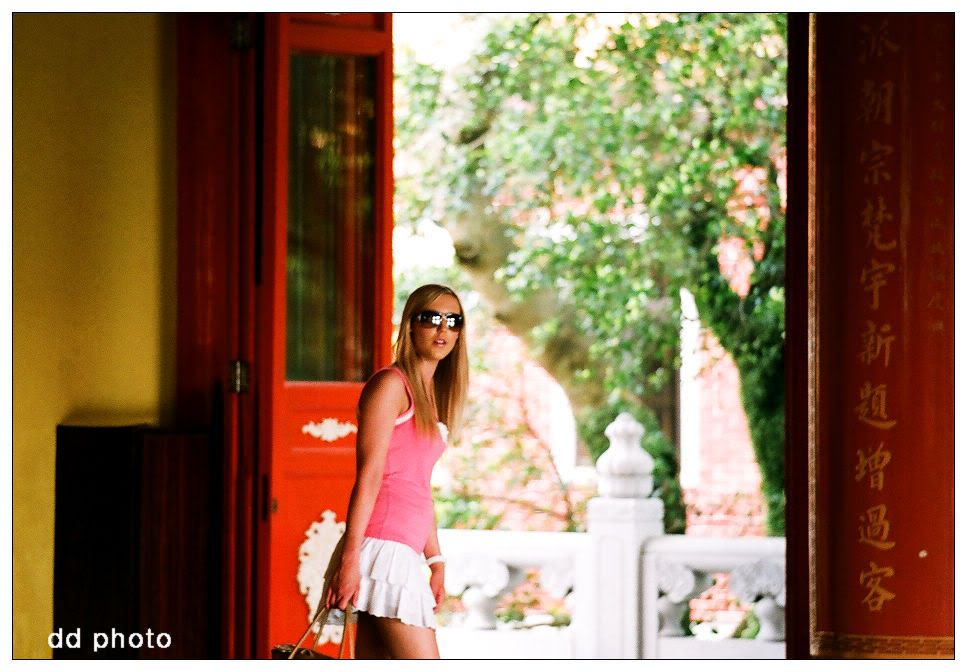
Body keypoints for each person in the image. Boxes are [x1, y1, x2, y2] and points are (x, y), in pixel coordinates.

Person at [324, 284, 469, 659]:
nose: (443, 328)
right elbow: (369, 477)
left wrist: (435, 561)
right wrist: (350, 560)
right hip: (381, 550)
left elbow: (418, 487)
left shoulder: (430, 397)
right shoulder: (391, 385)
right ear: (410, 325)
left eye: (453, 321)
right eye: (431, 318)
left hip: (403, 552)